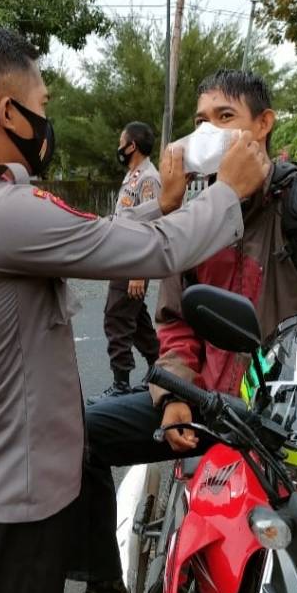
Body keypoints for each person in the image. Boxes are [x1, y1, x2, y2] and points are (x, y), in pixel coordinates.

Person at [0, 29, 271, 593]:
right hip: (7, 502)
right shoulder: (1, 213)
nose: (48, 120)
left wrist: (164, 204)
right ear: (8, 113)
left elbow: (92, 236)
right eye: (41, 103)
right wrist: (226, 192)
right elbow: (155, 252)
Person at [63, 69, 297, 593]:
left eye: (225, 117)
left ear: (264, 125)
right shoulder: (197, 219)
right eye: (200, 121)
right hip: (205, 408)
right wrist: (173, 398)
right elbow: (175, 324)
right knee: (76, 434)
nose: (208, 132)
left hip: (286, 433)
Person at [89, 122, 163, 402]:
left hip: (133, 261)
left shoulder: (149, 179)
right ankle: (162, 372)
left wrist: (139, 272)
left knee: (116, 318)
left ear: (132, 146)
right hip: (124, 258)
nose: (118, 147)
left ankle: (121, 384)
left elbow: (151, 226)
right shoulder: (133, 176)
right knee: (137, 320)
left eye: (122, 142)